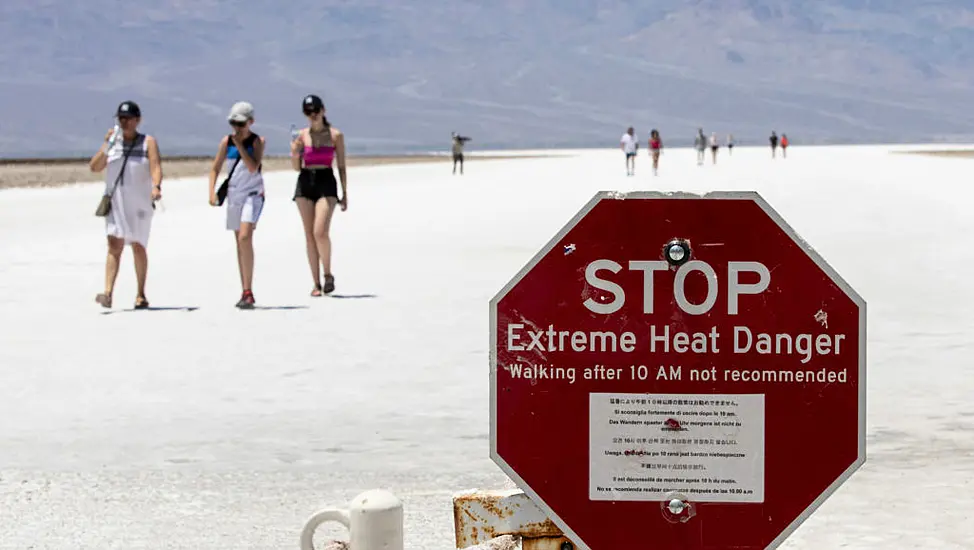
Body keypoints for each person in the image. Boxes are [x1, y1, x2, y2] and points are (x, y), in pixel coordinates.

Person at [88, 100, 162, 309]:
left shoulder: (148, 142)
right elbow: (94, 167)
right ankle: (108, 293)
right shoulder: (113, 143)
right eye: (121, 118)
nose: (124, 122)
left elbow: (155, 166)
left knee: (138, 245)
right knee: (114, 245)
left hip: (139, 203)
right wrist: (107, 145)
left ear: (137, 120)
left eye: (128, 118)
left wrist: (156, 186)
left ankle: (140, 293)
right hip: (116, 202)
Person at [208, 101, 265, 309]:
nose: (237, 128)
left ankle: (248, 290)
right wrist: (212, 192)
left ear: (251, 122)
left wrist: (241, 144)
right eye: (234, 123)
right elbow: (215, 168)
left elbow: (252, 167)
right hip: (234, 196)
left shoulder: (257, 141)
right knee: (239, 243)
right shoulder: (226, 142)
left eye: (241, 124)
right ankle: (245, 289)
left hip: (252, 193)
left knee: (245, 236)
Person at [290, 94, 347, 296]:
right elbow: (297, 168)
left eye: (316, 111)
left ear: (323, 111)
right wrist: (295, 153)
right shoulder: (302, 136)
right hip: (306, 181)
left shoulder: (335, 135)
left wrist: (345, 192)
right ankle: (315, 283)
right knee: (309, 234)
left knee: (320, 231)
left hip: (326, 181)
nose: (313, 115)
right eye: (308, 112)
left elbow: (341, 165)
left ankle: (328, 274)